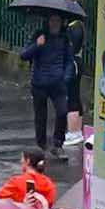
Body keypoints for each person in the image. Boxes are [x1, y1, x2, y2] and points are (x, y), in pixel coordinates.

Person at [18, 13, 79, 160]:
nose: (55, 24)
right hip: (39, 83)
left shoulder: (65, 39)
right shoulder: (39, 35)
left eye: (58, 21)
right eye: (52, 20)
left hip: (58, 84)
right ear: (48, 22)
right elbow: (24, 55)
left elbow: (69, 61)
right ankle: (41, 145)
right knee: (41, 116)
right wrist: (37, 45)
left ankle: (58, 144)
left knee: (62, 112)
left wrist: (65, 78)